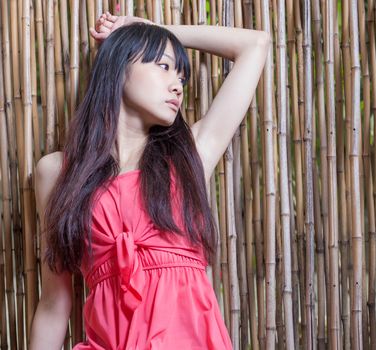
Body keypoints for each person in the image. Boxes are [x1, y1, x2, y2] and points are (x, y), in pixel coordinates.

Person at [29, 11, 269, 350]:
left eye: (182, 78)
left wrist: (151, 30)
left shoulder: (192, 154)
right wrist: (134, 36)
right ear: (119, 65)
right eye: (164, 66)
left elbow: (255, 44)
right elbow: (54, 304)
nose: (176, 85)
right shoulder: (56, 172)